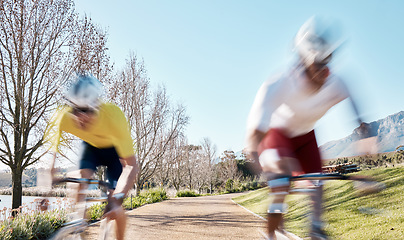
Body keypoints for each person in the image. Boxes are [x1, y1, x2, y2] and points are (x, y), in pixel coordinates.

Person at [245, 16, 368, 240]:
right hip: (277, 137)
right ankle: (271, 234)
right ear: (303, 61)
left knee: (318, 183)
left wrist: (365, 136)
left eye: (327, 62)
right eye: (317, 64)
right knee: (282, 184)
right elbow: (253, 140)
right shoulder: (277, 85)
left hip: (306, 137)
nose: (324, 72)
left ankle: (316, 229)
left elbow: (357, 114)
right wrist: (265, 171)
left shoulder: (336, 82)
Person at [48, 73, 138, 240]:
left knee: (115, 208)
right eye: (76, 109)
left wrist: (117, 198)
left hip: (115, 154)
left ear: (97, 106)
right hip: (91, 149)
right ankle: (81, 225)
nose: (80, 116)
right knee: (80, 180)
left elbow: (131, 165)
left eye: (86, 110)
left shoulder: (114, 116)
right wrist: (47, 181)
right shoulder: (64, 118)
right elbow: (50, 153)